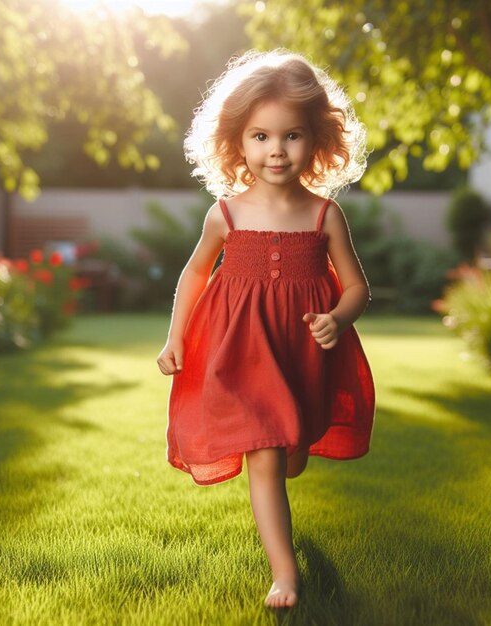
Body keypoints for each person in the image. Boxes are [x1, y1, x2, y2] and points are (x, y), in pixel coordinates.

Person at [156, 49, 375, 610]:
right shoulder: (225, 214)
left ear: (318, 140)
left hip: (301, 351)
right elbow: (195, 273)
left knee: (290, 447)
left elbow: (357, 287)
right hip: (239, 352)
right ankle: (285, 574)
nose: (275, 150)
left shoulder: (324, 216)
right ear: (237, 142)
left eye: (292, 136)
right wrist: (176, 336)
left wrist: (336, 318)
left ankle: (288, 468)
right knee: (267, 454)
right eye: (260, 136)